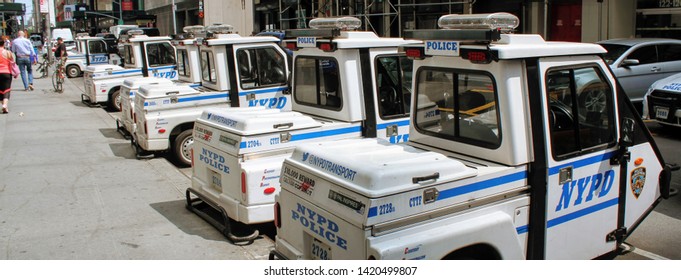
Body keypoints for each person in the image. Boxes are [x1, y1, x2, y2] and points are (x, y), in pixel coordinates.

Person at [0, 40, 15, 113]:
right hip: (6, 72)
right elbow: (12, 62)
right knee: (6, 89)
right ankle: (5, 105)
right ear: (4, 44)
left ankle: (4, 105)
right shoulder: (8, 52)